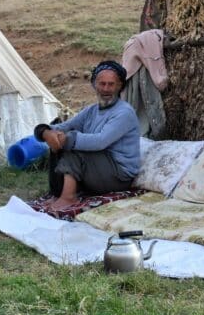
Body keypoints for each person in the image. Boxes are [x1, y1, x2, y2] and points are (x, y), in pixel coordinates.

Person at [34, 60, 141, 209]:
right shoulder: (91, 110)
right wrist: (45, 132)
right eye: (102, 84)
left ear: (119, 86)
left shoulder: (124, 112)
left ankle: (68, 197)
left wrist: (67, 139)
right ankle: (57, 194)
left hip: (119, 174)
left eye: (111, 84)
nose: (106, 89)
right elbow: (65, 126)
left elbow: (100, 141)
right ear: (94, 85)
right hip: (99, 169)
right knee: (56, 145)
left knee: (74, 147)